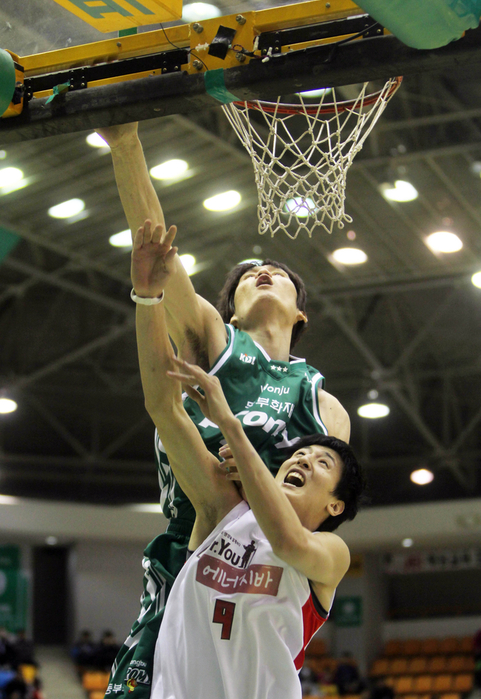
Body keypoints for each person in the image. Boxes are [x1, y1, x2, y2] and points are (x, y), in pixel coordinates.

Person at [99, 123, 350, 696]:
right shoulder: (218, 346)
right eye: (244, 277)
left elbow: (321, 519)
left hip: (259, 576)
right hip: (187, 546)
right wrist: (128, 147)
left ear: (300, 315)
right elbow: (158, 255)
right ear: (229, 313)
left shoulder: (327, 407)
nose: (262, 271)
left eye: (278, 274)